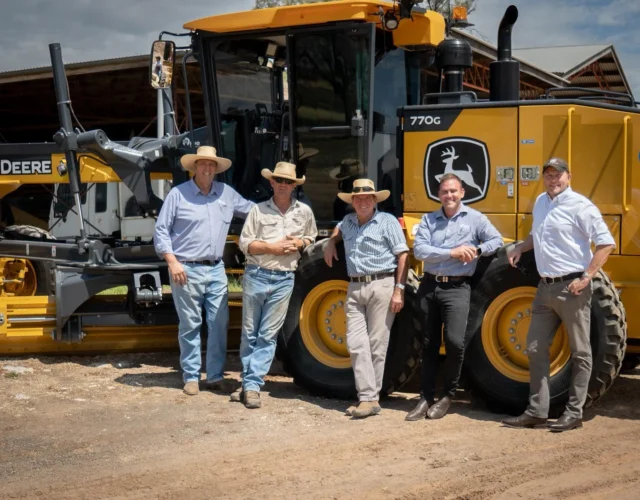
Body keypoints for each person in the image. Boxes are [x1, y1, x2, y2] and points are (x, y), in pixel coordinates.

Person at [502, 157, 615, 432]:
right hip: (544, 288)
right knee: (535, 349)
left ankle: (574, 413)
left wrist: (586, 276)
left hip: (571, 288)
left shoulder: (581, 206)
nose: (554, 180)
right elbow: (536, 235)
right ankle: (537, 411)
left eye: (558, 175)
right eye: (549, 175)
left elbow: (606, 243)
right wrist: (520, 248)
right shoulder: (541, 201)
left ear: (569, 176)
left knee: (580, 353)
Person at [154, 145, 254, 396]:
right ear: (195, 167)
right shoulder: (178, 194)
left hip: (216, 268)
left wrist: (282, 206)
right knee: (190, 324)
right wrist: (172, 261)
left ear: (216, 169)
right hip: (185, 268)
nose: (208, 168)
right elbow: (161, 230)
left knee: (219, 323)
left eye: (212, 165)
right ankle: (190, 376)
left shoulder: (227, 194)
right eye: (203, 164)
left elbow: (254, 210)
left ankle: (215, 376)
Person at [406, 173, 503, 421]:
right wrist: (453, 252)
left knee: (454, 342)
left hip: (458, 289)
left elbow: (496, 240)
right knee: (427, 344)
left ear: (462, 193)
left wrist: (478, 250)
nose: (449, 195)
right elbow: (420, 250)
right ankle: (425, 397)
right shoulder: (429, 219)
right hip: (429, 287)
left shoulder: (475, 219)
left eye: (453, 191)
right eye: (444, 192)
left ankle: (448, 395)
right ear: (439, 195)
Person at [324, 178, 409, 419]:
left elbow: (403, 255)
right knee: (355, 343)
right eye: (358, 198)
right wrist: (331, 241)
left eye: (367, 198)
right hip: (354, 287)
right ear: (352, 202)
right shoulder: (348, 222)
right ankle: (368, 398)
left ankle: (369, 398)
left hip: (382, 284)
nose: (362, 202)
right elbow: (339, 229)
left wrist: (398, 289)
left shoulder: (387, 222)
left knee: (376, 345)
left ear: (375, 200)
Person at [235, 162, 318, 409]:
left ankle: (251, 385)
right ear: (271, 182)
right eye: (279, 180)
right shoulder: (258, 211)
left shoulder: (304, 212)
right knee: (250, 333)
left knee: (268, 334)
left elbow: (311, 237)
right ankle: (249, 383)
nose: (283, 185)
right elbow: (245, 244)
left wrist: (300, 243)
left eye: (288, 181)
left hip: (284, 278)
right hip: (257, 274)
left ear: (294, 185)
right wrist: (272, 248)